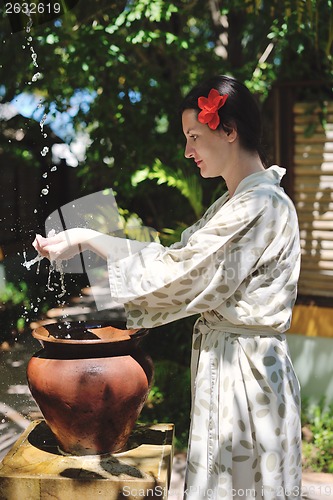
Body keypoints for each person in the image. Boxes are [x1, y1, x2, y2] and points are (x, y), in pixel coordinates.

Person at [33, 75, 302, 500]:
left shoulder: (261, 204)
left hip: (247, 376)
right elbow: (174, 254)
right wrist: (84, 237)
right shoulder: (234, 203)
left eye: (194, 136)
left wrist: (89, 240)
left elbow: (181, 271)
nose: (187, 150)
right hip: (233, 363)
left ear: (229, 131)